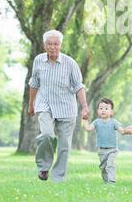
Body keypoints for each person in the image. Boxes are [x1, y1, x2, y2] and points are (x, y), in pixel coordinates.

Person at [28, 30, 89, 182]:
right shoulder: (38, 60)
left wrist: (85, 106)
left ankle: (58, 178)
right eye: (49, 44)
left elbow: (78, 86)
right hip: (45, 104)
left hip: (66, 107)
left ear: (61, 45)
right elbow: (34, 83)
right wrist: (31, 104)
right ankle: (43, 167)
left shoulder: (70, 63)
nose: (53, 47)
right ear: (44, 45)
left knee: (64, 145)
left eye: (56, 44)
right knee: (47, 134)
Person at [83, 98, 130, 184]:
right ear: (97, 111)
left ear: (111, 112)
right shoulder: (96, 122)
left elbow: (121, 131)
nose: (103, 110)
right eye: (101, 108)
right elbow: (88, 128)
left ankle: (112, 181)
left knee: (110, 165)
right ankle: (106, 181)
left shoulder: (114, 122)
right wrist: (85, 119)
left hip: (113, 149)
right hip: (102, 149)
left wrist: (127, 131)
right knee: (103, 167)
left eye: (106, 108)